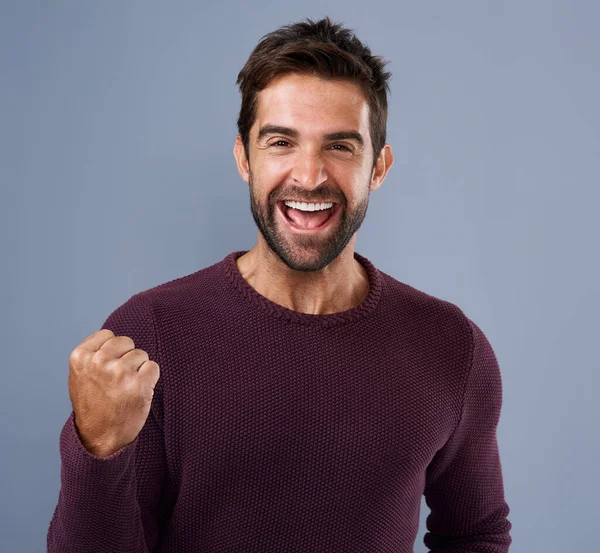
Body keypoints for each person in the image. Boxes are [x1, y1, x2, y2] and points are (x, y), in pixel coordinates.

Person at [47, 16, 513, 553]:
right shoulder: (148, 336)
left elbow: (475, 536)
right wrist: (97, 446)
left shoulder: (451, 346)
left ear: (378, 167)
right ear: (245, 158)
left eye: (340, 146)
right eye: (281, 142)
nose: (309, 176)